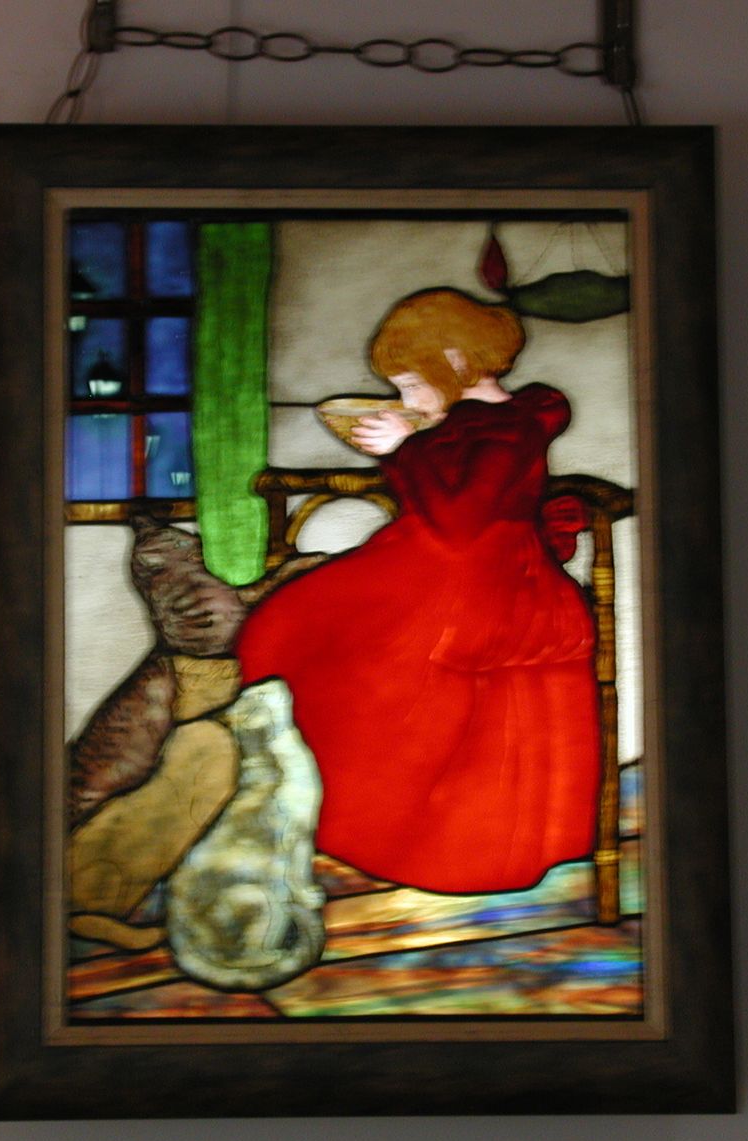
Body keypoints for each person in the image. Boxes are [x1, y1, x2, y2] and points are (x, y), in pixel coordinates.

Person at [236, 288, 600, 894]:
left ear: (455, 362)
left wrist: (402, 450)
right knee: (294, 623)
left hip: (479, 579)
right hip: (444, 570)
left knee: (334, 642)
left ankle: (402, 835)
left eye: (410, 385)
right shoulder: (476, 422)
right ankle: (335, 812)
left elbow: (459, 525)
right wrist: (414, 441)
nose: (406, 400)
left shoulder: (506, 432)